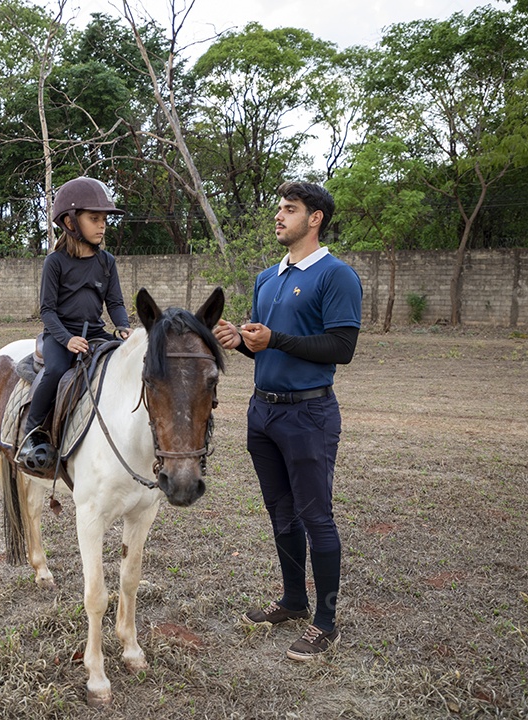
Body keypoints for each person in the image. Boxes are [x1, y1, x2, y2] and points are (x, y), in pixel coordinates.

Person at [213, 181, 362, 661]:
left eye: (289, 209)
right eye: (279, 208)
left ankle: (326, 622)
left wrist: (274, 339)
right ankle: (294, 601)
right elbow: (263, 343)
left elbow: (342, 348)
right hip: (263, 412)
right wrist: (238, 338)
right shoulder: (266, 277)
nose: (279, 216)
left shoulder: (335, 276)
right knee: (280, 512)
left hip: (309, 413)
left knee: (316, 517)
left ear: (314, 218)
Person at [16, 176, 132, 473]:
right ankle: (31, 434)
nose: (102, 225)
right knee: (55, 369)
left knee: (123, 362)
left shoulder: (107, 261)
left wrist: (122, 326)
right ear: (70, 222)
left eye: (104, 219)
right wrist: (67, 340)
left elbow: (115, 302)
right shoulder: (54, 262)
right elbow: (48, 310)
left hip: (95, 333)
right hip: (60, 335)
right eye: (94, 218)